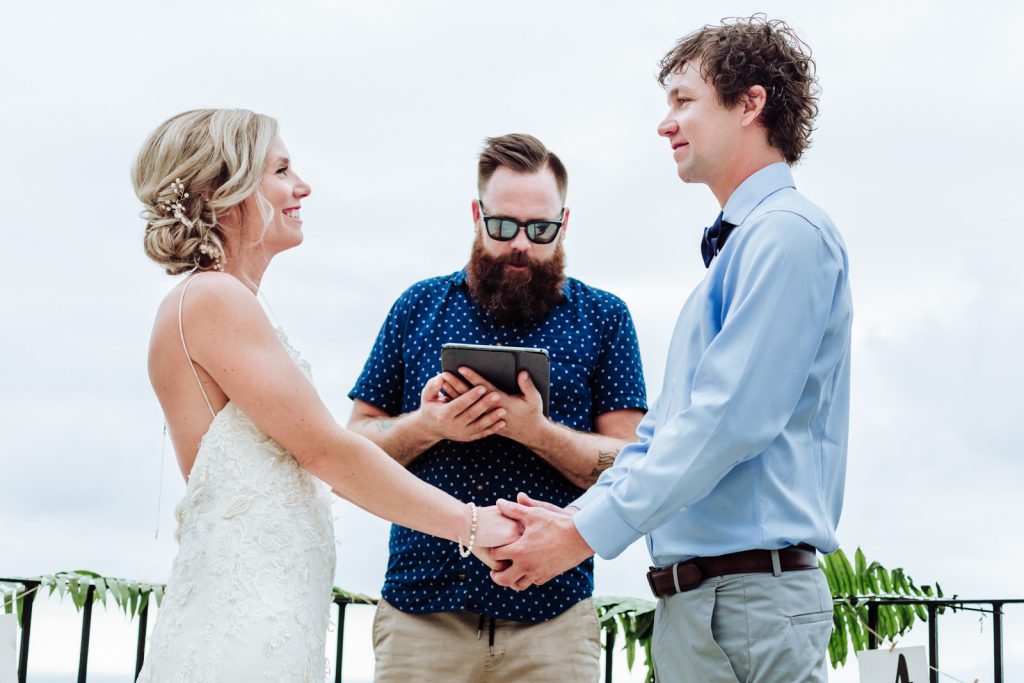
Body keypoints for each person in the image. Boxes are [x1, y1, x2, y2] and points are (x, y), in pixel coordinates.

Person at [491, 16, 852, 683]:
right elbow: (666, 433)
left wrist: (577, 535)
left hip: (749, 605)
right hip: (709, 605)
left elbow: (729, 421)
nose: (666, 123)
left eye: (684, 100)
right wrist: (572, 517)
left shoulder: (787, 236)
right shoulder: (743, 253)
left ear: (750, 103)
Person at [133, 108, 518, 682]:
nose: (302, 186)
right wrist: (473, 525)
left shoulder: (225, 301)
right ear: (224, 189)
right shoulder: (215, 299)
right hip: (242, 632)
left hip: (271, 617)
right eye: (282, 170)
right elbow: (328, 453)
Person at [346, 133, 647, 682]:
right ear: (475, 215)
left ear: (564, 221)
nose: (521, 246)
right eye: (503, 225)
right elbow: (352, 446)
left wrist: (535, 431)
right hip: (421, 615)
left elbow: (632, 462)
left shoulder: (605, 318)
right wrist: (426, 425)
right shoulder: (416, 307)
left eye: (540, 229)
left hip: (553, 619)